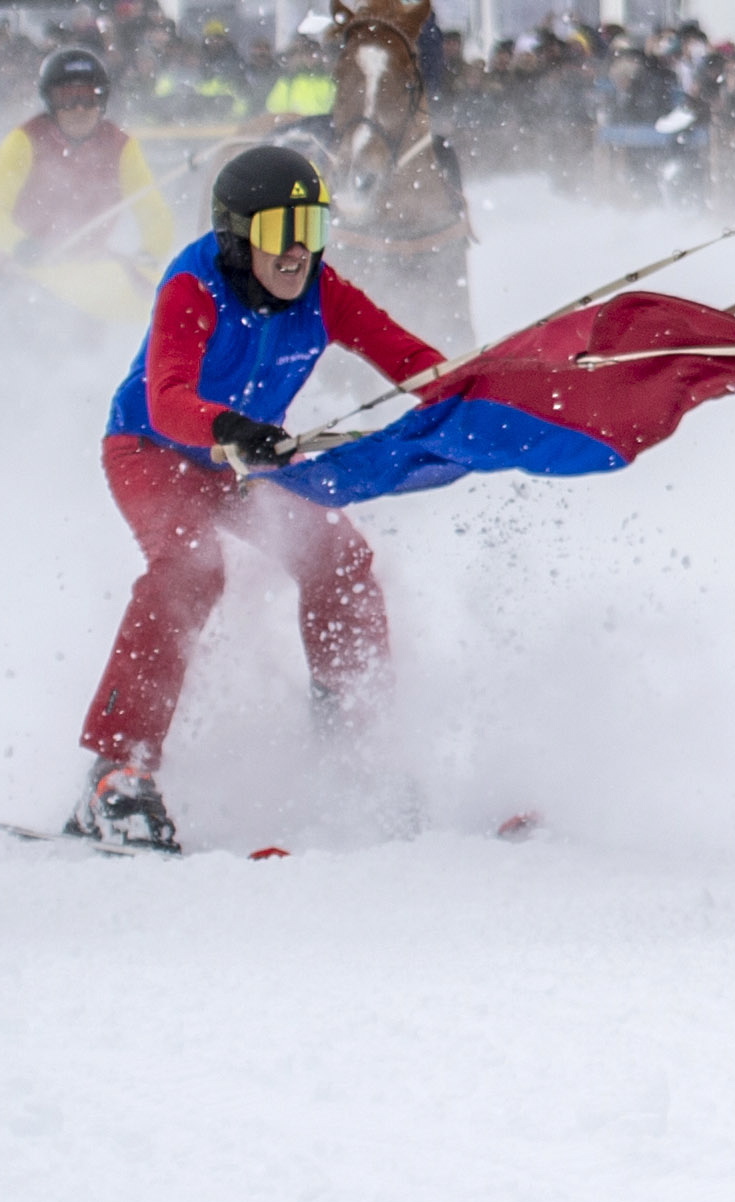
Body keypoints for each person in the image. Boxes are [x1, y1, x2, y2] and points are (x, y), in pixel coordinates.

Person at [66, 148, 448, 851]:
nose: (299, 248)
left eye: (312, 225)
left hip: (244, 460)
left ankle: (355, 754)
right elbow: (169, 397)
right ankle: (117, 770)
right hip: (153, 451)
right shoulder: (193, 285)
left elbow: (409, 360)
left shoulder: (321, 290)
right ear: (237, 237)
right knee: (189, 569)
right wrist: (232, 431)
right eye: (281, 230)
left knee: (340, 559)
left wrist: (475, 384)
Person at [0, 48, 178, 361]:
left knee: (81, 367)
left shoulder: (120, 146)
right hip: (16, 272)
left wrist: (150, 255)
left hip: (83, 280)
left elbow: (153, 212)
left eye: (90, 97)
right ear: (50, 101)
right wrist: (21, 246)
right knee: (22, 367)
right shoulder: (25, 141)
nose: (79, 109)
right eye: (67, 98)